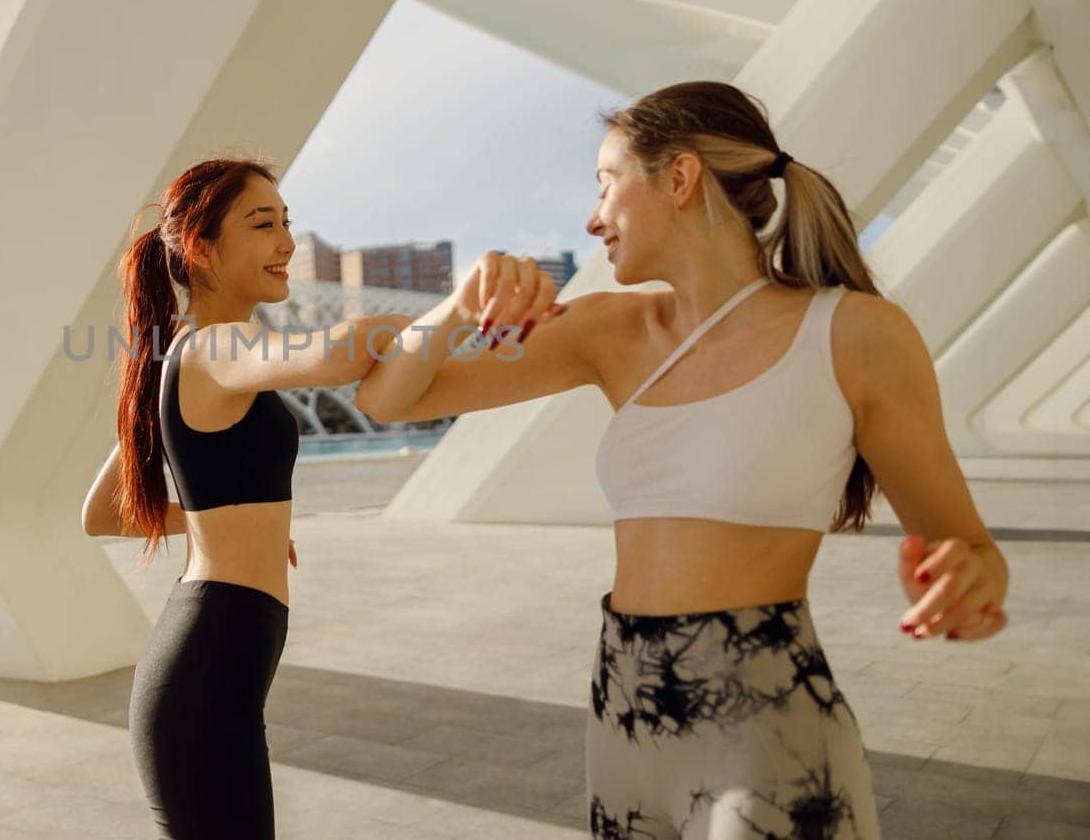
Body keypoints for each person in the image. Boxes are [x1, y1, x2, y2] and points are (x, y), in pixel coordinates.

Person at [353, 81, 1009, 839]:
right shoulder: (608, 328)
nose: (593, 217)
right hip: (622, 720)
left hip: (766, 731)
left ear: (681, 177)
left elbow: (973, 548)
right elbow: (389, 398)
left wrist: (971, 581)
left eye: (605, 184)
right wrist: (462, 304)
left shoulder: (855, 333)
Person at [80, 156, 408, 839]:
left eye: (286, 221)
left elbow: (103, 511)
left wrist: (221, 521)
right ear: (201, 247)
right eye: (264, 224)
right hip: (207, 670)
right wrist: (458, 320)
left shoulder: (182, 352)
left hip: (211, 665)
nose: (287, 241)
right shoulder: (215, 348)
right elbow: (341, 354)